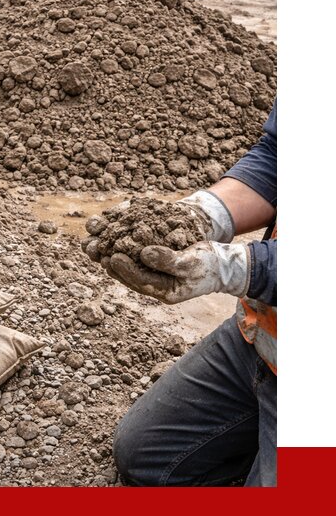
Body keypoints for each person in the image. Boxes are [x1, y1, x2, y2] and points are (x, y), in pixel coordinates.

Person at [110, 100, 277, 487]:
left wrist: (233, 267)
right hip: (266, 340)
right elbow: (278, 157)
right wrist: (198, 216)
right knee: (146, 456)